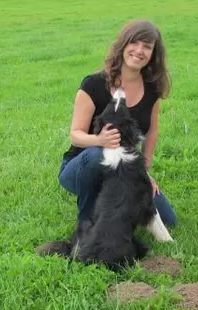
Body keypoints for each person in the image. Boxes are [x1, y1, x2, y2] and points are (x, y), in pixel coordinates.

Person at [58, 19, 177, 229]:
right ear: (124, 45)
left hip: (123, 168)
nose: (139, 51)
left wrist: (143, 173)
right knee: (97, 153)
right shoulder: (93, 84)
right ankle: (86, 221)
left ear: (153, 55)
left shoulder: (152, 89)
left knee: (168, 220)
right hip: (82, 166)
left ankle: (114, 203)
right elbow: (75, 134)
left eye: (147, 47)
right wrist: (99, 139)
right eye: (135, 43)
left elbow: (152, 132)